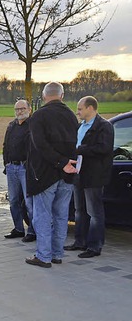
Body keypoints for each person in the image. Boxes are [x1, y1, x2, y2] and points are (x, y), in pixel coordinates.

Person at [25, 82, 78, 268]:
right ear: (62, 95)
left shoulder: (39, 115)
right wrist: (66, 163)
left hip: (45, 175)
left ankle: (44, 256)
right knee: (61, 215)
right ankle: (57, 254)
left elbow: (40, 146)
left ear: (44, 95)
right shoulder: (72, 116)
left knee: (42, 216)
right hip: (68, 175)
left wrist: (60, 162)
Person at [64, 96, 114, 258]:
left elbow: (104, 149)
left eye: (80, 109)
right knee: (80, 211)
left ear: (90, 108)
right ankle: (80, 242)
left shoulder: (104, 126)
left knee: (94, 213)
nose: (77, 112)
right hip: (79, 174)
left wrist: (80, 149)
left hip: (95, 176)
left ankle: (94, 246)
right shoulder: (81, 126)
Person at [2, 99, 36, 242]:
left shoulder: (33, 126)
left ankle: (33, 231)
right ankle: (18, 228)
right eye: (17, 109)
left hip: (25, 168)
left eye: (22, 109)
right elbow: (5, 146)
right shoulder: (11, 126)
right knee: (13, 200)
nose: (19, 112)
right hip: (11, 168)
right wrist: (6, 164)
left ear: (29, 109)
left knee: (29, 202)